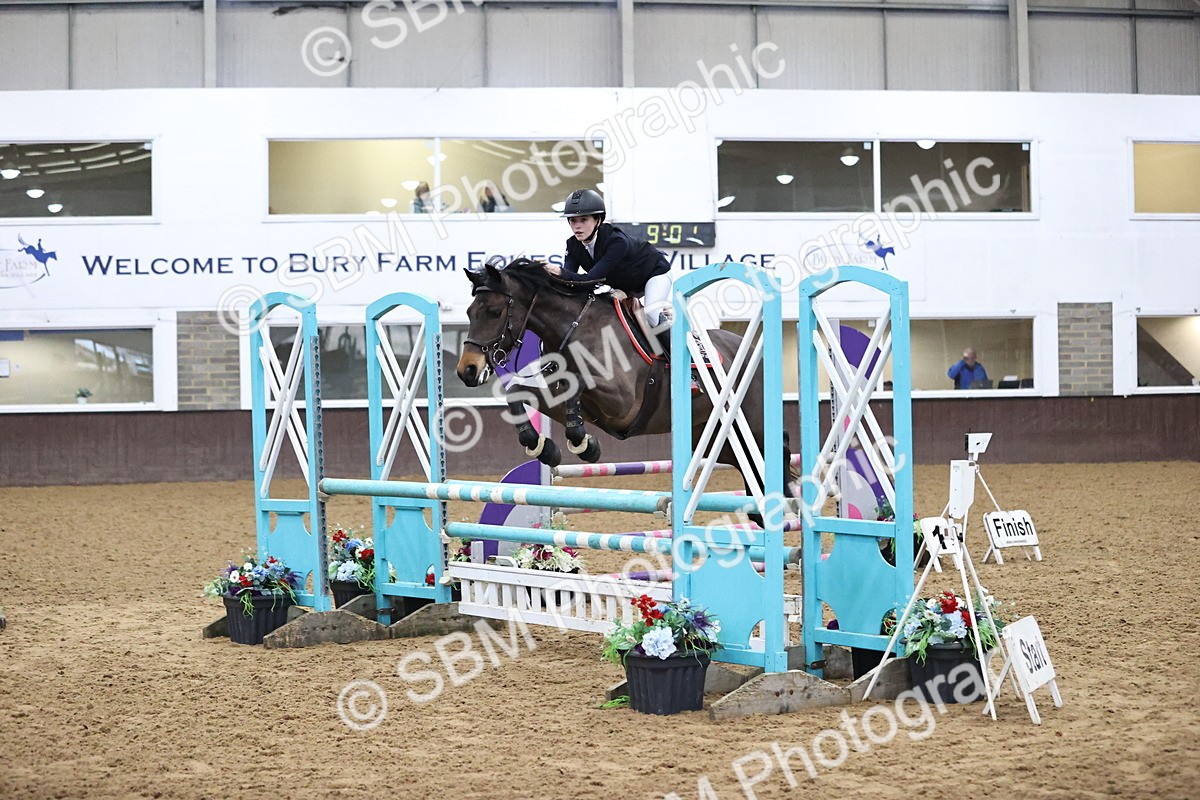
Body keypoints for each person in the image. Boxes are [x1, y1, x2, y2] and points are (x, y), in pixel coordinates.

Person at [543, 188, 673, 355]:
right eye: (573, 220)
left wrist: (559, 272)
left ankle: (680, 359)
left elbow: (590, 279)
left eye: (584, 219)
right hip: (625, 284)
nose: (577, 226)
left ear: (598, 220)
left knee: (652, 313)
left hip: (654, 273)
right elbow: (569, 283)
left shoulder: (616, 241)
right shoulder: (573, 244)